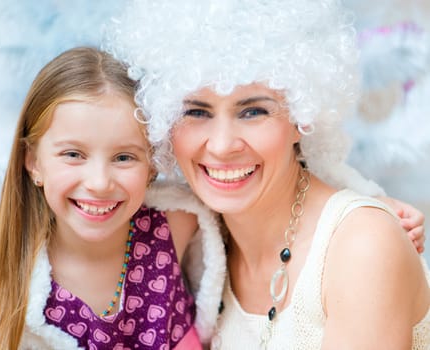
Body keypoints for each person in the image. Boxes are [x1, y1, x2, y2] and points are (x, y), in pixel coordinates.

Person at [104, 0, 430, 348]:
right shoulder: (191, 240)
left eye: (253, 111)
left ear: (301, 119)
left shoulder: (361, 246)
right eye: (197, 112)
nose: (222, 145)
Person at [0, 46, 226, 349]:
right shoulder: (10, 308)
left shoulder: (179, 225)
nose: (99, 183)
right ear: (33, 162)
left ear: (152, 165)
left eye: (124, 157)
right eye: (73, 154)